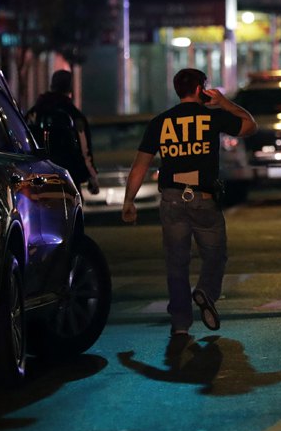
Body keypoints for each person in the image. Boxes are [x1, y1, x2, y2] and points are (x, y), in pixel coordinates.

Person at [121, 68, 257, 336]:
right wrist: (225, 103)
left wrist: (129, 200)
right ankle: (205, 291)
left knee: (176, 263)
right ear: (200, 89)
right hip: (204, 198)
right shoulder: (213, 117)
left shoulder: (160, 122)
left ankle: (181, 324)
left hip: (172, 200)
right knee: (215, 256)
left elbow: (140, 166)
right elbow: (250, 126)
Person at [26, 69, 100, 195]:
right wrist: (92, 177)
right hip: (68, 178)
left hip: (37, 178)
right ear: (70, 87)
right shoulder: (73, 115)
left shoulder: (34, 112)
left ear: (52, 85)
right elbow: (84, 149)